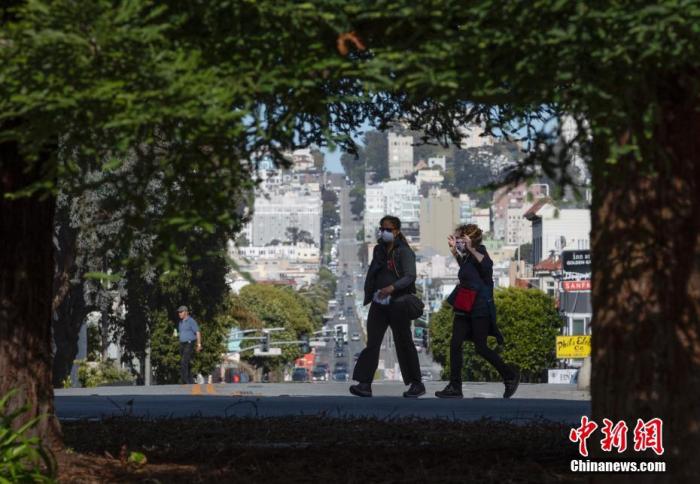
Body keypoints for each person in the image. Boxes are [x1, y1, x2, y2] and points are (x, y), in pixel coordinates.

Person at [435, 224, 520, 399]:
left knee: (481, 347)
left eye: (460, 239)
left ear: (469, 239)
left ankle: (509, 376)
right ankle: (455, 386)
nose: (457, 241)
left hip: (479, 308)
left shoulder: (479, 252)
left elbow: (487, 266)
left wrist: (471, 248)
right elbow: (467, 271)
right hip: (464, 305)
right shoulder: (466, 257)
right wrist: (454, 251)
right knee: (455, 344)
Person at [350, 215, 425, 398]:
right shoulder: (378, 250)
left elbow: (410, 276)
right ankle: (365, 384)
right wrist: (372, 292)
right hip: (379, 304)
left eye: (388, 230)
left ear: (397, 231)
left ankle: (416, 384)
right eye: (382, 229)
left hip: (398, 303)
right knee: (373, 343)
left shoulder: (404, 252)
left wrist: (392, 288)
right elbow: (374, 273)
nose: (384, 232)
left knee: (404, 343)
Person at [177, 305, 201, 384]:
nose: (179, 314)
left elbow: (197, 332)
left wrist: (199, 344)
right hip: (182, 344)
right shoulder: (180, 322)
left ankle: (184, 380)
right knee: (185, 361)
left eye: (181, 312)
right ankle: (191, 380)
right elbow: (182, 332)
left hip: (189, 343)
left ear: (186, 312)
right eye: (179, 312)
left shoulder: (191, 321)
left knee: (184, 361)